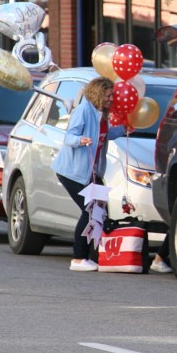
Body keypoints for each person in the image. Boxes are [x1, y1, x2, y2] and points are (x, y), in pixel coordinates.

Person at [52, 77, 126, 272]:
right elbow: (69, 136)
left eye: (112, 95)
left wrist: (123, 130)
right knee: (90, 211)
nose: (112, 99)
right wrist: (80, 140)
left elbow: (104, 135)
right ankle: (78, 258)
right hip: (74, 172)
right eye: (108, 95)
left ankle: (94, 256)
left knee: (100, 212)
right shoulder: (84, 111)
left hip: (92, 172)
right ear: (98, 94)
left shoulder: (102, 114)